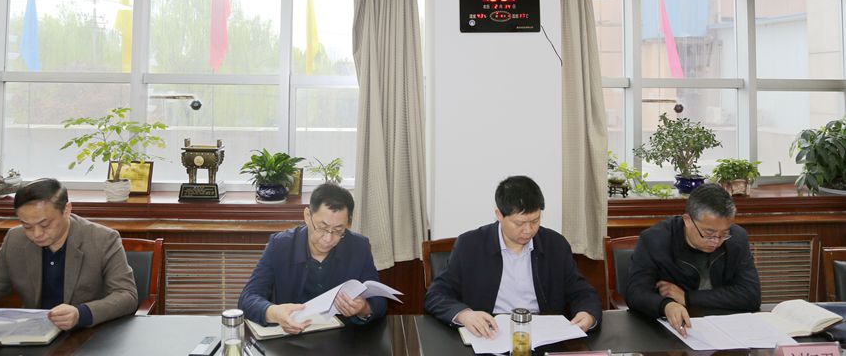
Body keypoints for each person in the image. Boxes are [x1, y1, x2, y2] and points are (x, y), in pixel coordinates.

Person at [0, 178, 137, 329]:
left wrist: (81, 313)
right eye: (27, 226)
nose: (36, 234)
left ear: (67, 210)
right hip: (34, 333)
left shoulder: (103, 239)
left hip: (87, 334)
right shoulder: (15, 238)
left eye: (45, 224)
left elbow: (126, 295)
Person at [424, 175, 602, 338]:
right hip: (489, 334)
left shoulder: (555, 245)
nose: (528, 230)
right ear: (499, 215)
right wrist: (465, 315)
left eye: (535, 221)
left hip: (543, 335)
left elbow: (583, 293)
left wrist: (587, 314)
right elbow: (436, 294)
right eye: (519, 223)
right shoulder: (470, 245)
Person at [239, 183, 386, 333]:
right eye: (322, 227)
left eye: (338, 230)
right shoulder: (280, 245)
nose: (328, 238)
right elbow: (248, 298)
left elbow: (379, 301)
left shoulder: (359, 246)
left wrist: (364, 308)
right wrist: (274, 313)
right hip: (291, 337)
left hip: (342, 338)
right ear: (307, 216)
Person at [626, 182, 761, 336]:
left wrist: (688, 297)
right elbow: (635, 292)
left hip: (725, 330)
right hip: (673, 332)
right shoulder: (655, 240)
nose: (716, 241)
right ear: (687, 220)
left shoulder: (737, 238)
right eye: (708, 233)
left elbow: (751, 295)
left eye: (724, 233)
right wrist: (666, 305)